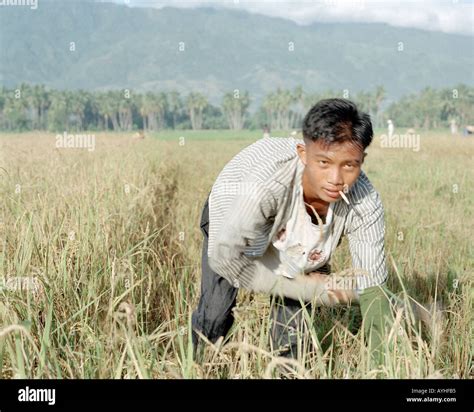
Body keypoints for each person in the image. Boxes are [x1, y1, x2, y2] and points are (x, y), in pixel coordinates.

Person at [192, 98, 395, 365]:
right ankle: (197, 366)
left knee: (292, 337)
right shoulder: (261, 188)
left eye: (349, 165)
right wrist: (301, 286)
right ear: (303, 154)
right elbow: (226, 260)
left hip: (301, 244)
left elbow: (373, 291)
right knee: (214, 314)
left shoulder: (364, 203)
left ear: (361, 160)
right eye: (323, 163)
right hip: (234, 221)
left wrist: (380, 367)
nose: (335, 179)